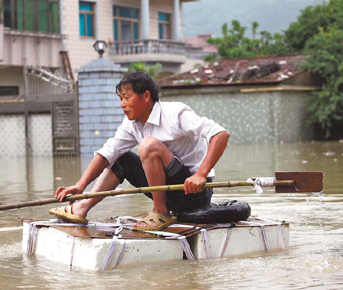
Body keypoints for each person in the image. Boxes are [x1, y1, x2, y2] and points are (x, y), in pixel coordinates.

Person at [49, 71, 230, 231]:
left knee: (148, 145)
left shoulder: (175, 113)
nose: (122, 104)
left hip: (193, 194)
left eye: (127, 98)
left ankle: (160, 212)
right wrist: (80, 185)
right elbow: (107, 153)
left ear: (145, 96)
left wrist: (201, 174)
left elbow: (220, 134)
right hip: (169, 193)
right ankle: (82, 207)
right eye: (121, 99)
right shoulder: (131, 124)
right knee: (121, 158)